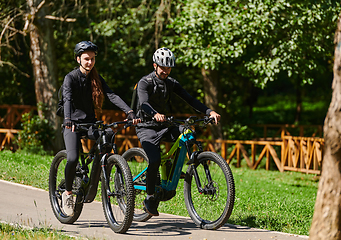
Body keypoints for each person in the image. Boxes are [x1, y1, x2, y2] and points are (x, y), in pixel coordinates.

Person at [135, 47, 221, 216]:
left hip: (164, 124)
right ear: (155, 65)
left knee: (188, 134)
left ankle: (172, 167)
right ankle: (150, 197)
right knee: (154, 159)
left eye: (169, 68)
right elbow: (143, 103)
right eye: (163, 67)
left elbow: (190, 99)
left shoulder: (171, 83)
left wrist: (208, 111)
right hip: (146, 126)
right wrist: (155, 114)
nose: (166, 71)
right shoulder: (145, 82)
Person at [61, 40, 140, 216]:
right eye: (86, 59)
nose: (90, 62)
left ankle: (103, 169)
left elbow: (111, 95)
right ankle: (68, 193)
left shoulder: (96, 78)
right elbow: (66, 98)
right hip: (72, 124)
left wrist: (129, 111)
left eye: (93, 59)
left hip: (90, 123)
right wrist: (67, 119)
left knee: (109, 134)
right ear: (78, 59)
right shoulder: (70, 78)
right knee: (73, 158)